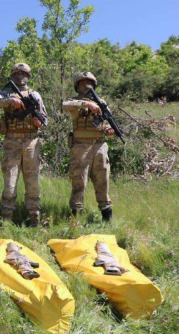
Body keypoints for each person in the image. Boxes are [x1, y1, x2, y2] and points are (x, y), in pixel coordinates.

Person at [0, 63, 47, 226]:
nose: (20, 76)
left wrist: (38, 122)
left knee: (32, 182)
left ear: (28, 76)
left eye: (24, 73)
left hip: (31, 141)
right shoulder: (5, 93)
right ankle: (6, 220)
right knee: (10, 183)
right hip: (12, 141)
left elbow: (44, 118)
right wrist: (9, 100)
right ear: (12, 76)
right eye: (17, 73)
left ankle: (34, 219)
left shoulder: (35, 95)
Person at [62, 71, 115, 221]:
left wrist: (109, 129)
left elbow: (109, 121)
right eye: (83, 83)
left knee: (102, 181)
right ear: (77, 86)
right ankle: (76, 216)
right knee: (79, 182)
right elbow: (64, 105)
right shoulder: (74, 102)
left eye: (90, 82)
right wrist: (86, 103)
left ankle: (107, 216)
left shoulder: (101, 102)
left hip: (99, 146)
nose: (87, 85)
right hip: (80, 147)